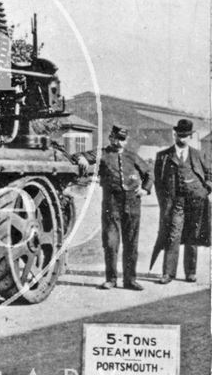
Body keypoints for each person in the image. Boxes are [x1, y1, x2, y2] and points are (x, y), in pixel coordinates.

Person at [76, 125, 153, 290]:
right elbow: (78, 155)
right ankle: (111, 279)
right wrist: (81, 158)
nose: (119, 142)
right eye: (116, 138)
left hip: (133, 203)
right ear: (111, 138)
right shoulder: (102, 154)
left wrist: (145, 189)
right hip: (112, 204)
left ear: (126, 141)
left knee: (131, 243)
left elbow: (148, 173)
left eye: (122, 139)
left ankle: (130, 280)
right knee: (110, 243)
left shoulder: (132, 157)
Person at [153, 119, 212, 284]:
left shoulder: (199, 155)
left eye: (185, 136)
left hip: (196, 202)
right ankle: (168, 273)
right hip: (175, 203)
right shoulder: (163, 156)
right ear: (175, 135)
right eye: (180, 135)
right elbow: (157, 181)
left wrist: (205, 189)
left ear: (190, 136)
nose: (182, 138)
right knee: (173, 236)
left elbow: (210, 174)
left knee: (192, 236)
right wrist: (164, 201)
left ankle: (190, 273)